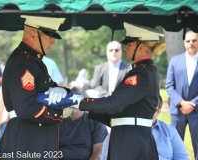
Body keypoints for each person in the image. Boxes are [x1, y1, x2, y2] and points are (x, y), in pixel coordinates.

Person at [71, 22, 166, 159]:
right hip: (132, 137)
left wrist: (79, 102)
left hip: (131, 142)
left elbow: (113, 103)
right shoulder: (145, 70)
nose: (125, 48)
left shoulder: (140, 73)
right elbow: (119, 113)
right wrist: (86, 108)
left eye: (129, 44)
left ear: (141, 47)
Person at [0, 15, 70, 159]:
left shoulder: (35, 62)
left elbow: (52, 86)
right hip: (26, 140)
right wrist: (59, 113)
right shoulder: (23, 63)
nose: (53, 41)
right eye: (49, 36)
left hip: (33, 138)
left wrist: (63, 91)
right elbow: (26, 109)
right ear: (32, 34)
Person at [0, 56, 64, 132]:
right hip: (16, 120)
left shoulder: (50, 64)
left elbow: (58, 92)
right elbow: (2, 97)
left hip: (42, 120)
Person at [166, 30, 198, 159]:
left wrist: (193, 104)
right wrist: (181, 102)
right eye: (188, 41)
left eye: (194, 40)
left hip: (196, 111)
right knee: (174, 145)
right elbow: (169, 85)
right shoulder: (174, 61)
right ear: (184, 43)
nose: (191, 43)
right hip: (177, 111)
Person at [58, 86, 107, 160]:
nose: (74, 101)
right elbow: (51, 149)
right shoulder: (58, 121)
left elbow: (98, 152)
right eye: (71, 98)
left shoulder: (96, 121)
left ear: (84, 100)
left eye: (78, 98)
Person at [152, 95, 189, 160]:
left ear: (158, 111)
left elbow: (182, 158)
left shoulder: (170, 131)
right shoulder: (130, 130)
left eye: (151, 108)